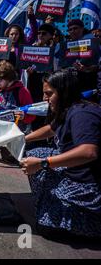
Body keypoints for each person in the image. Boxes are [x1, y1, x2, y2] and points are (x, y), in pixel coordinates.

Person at [21, 70, 101, 238]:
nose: (44, 98)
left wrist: (43, 163)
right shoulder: (69, 109)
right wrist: (22, 139)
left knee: (46, 228)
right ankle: (51, 203)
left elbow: (89, 151)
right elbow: (51, 129)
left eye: (49, 93)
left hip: (90, 188)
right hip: (76, 173)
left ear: (64, 92)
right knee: (33, 153)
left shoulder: (82, 114)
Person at [0, 61, 35, 162]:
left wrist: (24, 116)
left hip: (13, 128)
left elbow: (32, 114)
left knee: (9, 159)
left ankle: (9, 149)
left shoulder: (22, 91)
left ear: (9, 79)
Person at [66, 19, 99, 93]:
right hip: (72, 84)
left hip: (89, 84)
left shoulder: (93, 43)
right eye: (70, 29)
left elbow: (97, 65)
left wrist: (87, 69)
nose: (72, 31)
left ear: (82, 28)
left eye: (75, 28)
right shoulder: (66, 46)